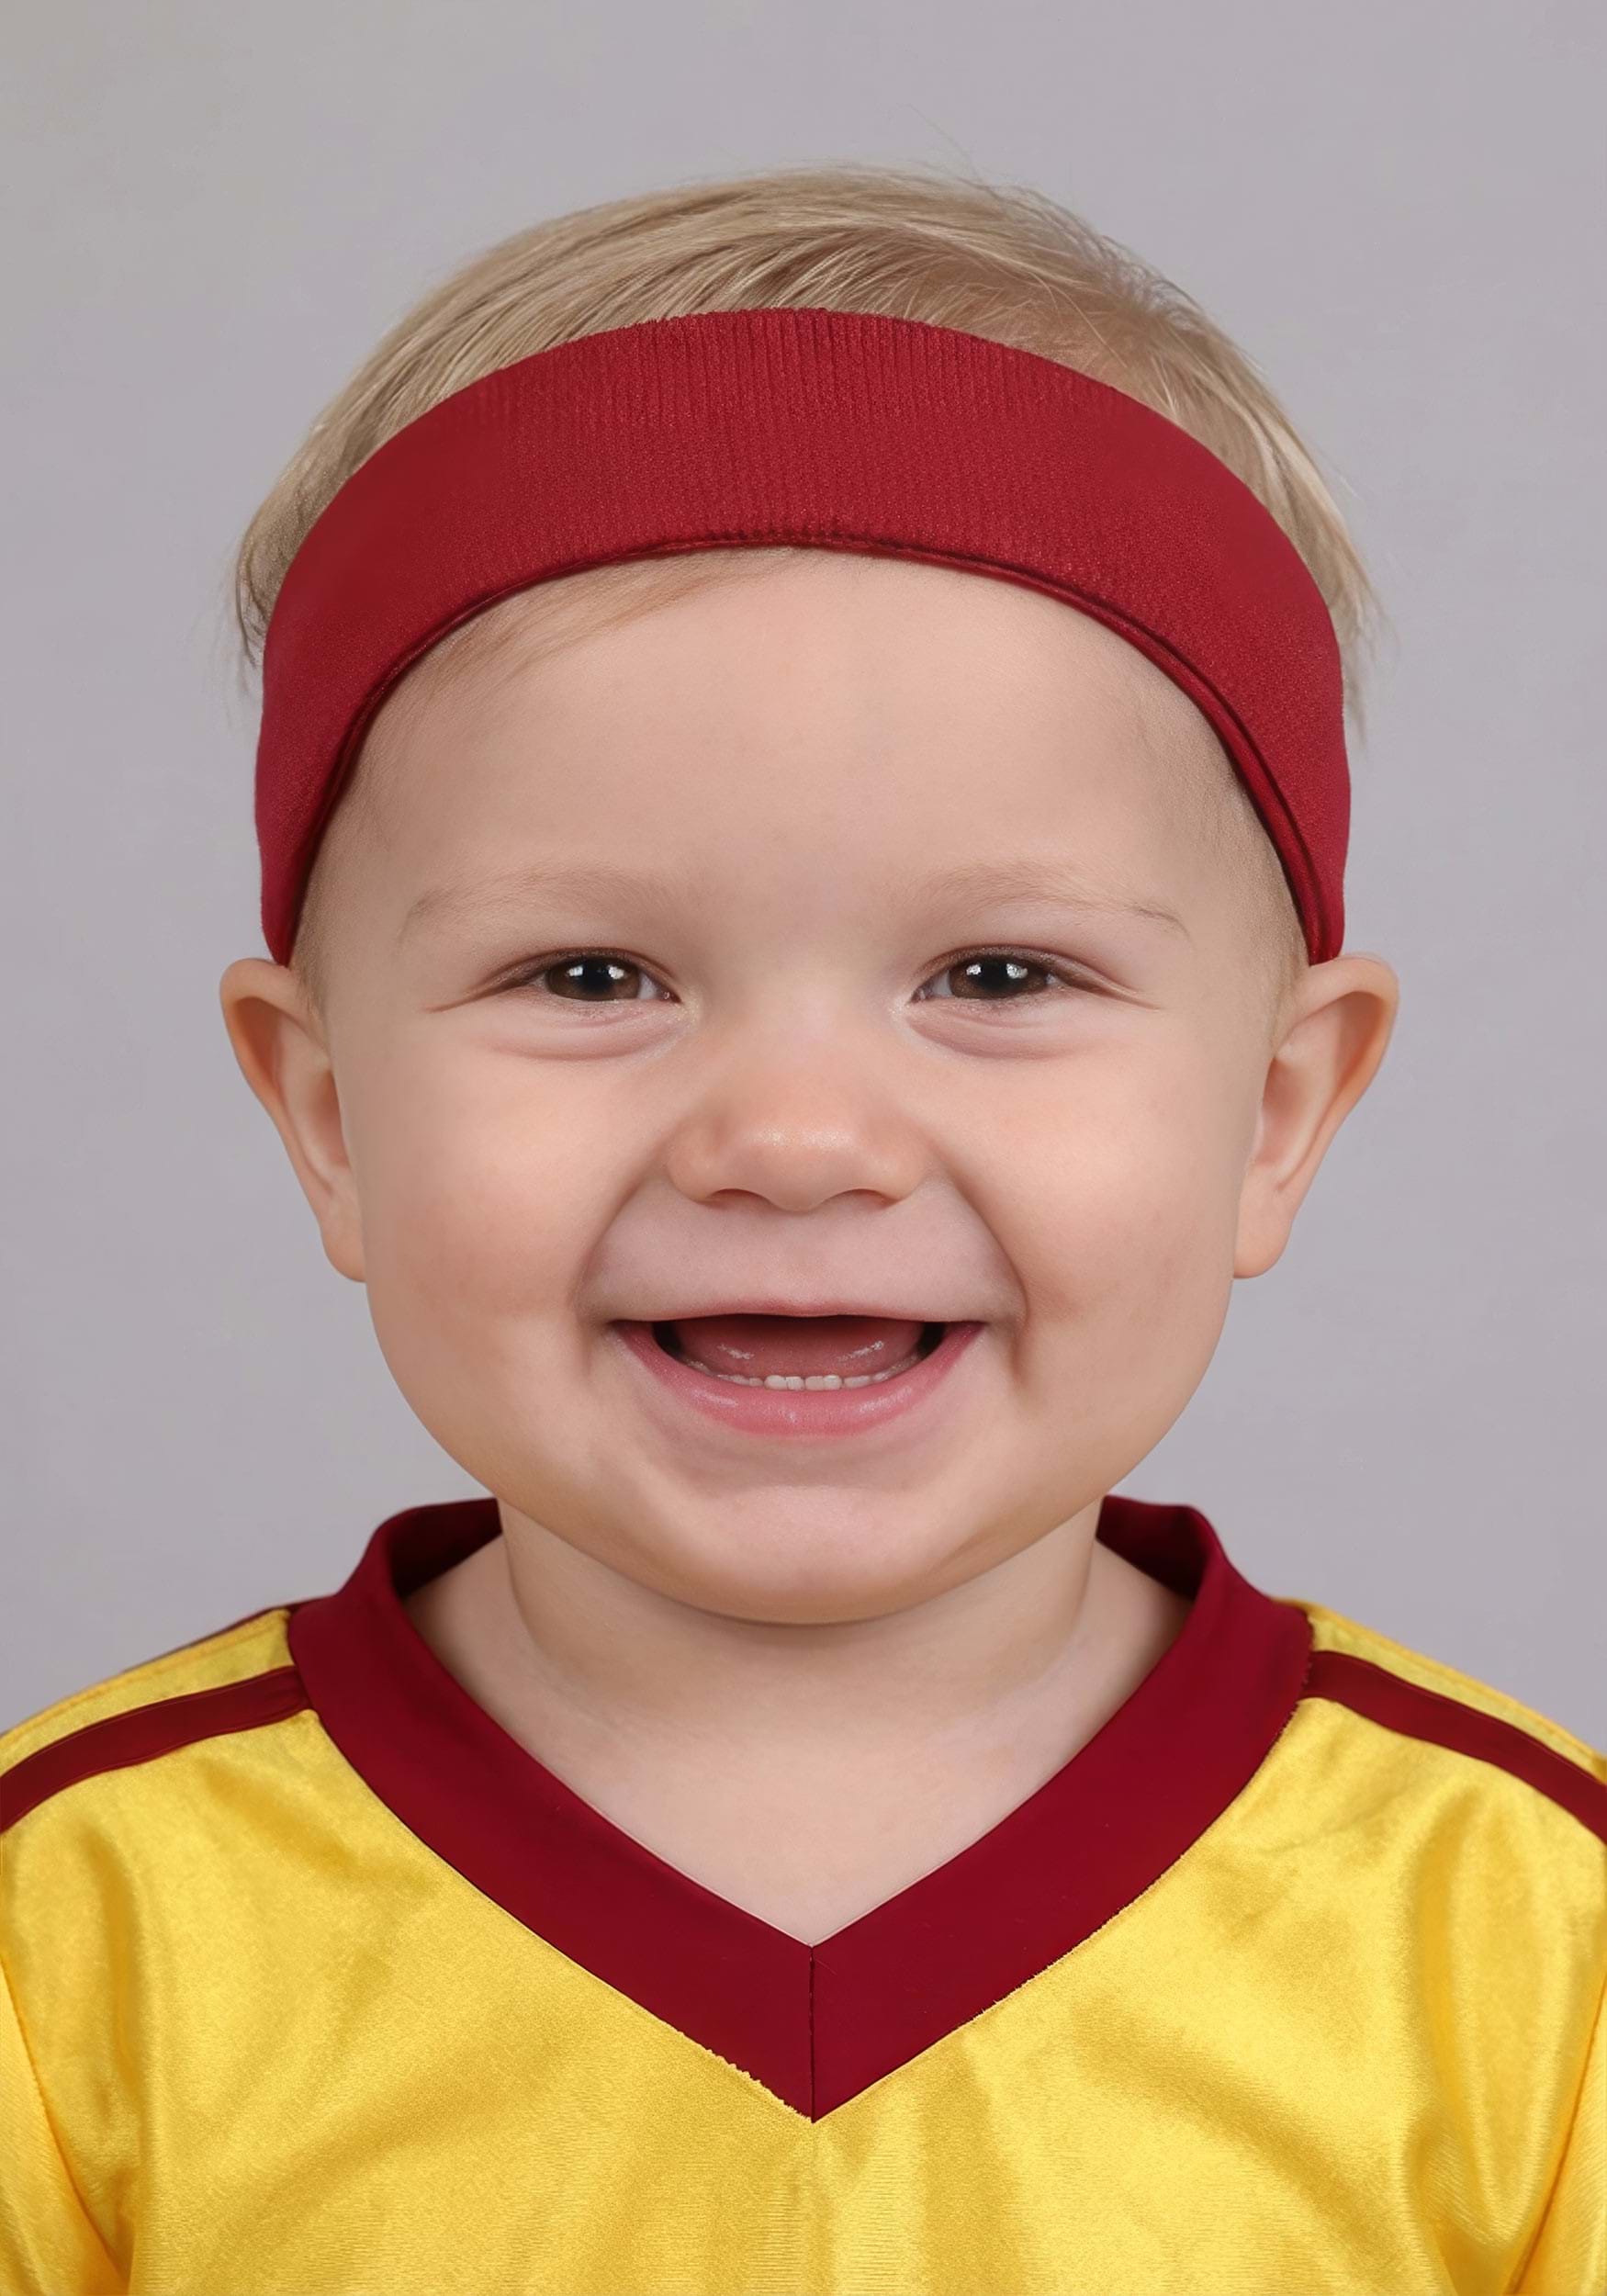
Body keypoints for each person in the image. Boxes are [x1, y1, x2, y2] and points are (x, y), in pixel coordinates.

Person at [3, 162, 1601, 2296]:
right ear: (326, 1112)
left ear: (1272, 1110)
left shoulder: (1527, 1943)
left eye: (996, 974)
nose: (791, 1138)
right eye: (590, 974)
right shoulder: (70, 1938)